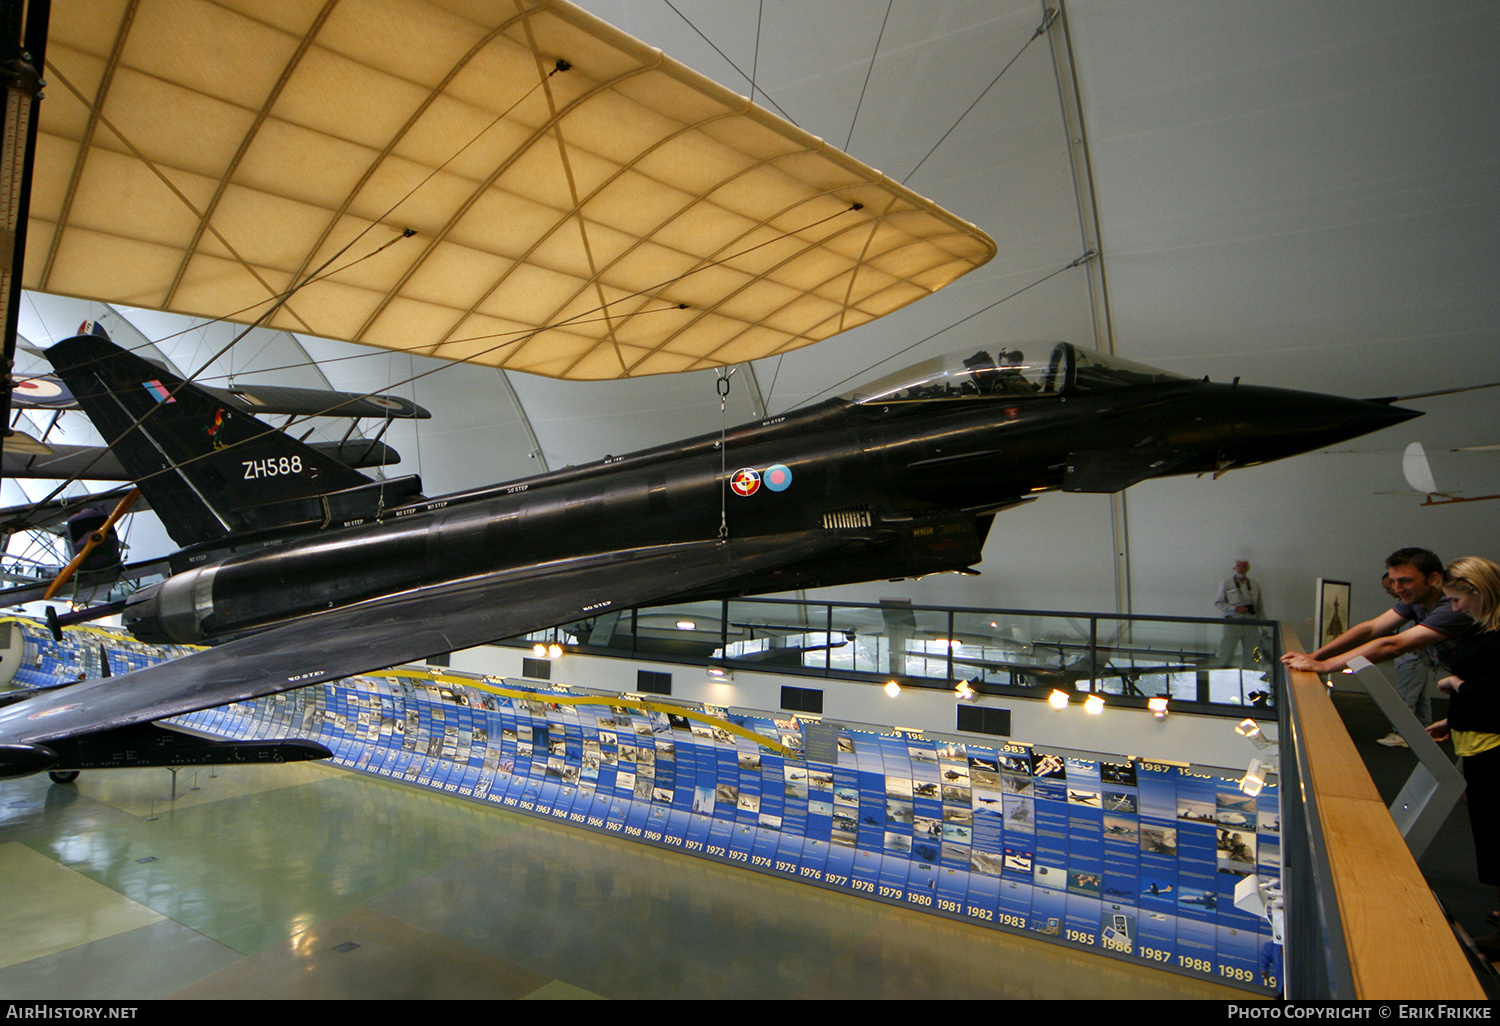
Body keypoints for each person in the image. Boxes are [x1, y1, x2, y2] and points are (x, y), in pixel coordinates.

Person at [1282, 549, 1472, 745]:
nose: (1397, 588)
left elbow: (1393, 645)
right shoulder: (1417, 601)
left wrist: (1325, 666)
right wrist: (1316, 656)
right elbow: (1370, 629)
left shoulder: (1452, 607)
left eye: (1405, 581)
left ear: (1433, 578)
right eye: (1393, 581)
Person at [1424, 556, 1500, 959]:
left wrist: (1456, 684)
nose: (1456, 609)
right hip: (1479, 745)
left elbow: (1492, 694)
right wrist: (1454, 722)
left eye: (1458, 600)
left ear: (1478, 590)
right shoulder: (1489, 631)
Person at [1214, 559, 1265, 668]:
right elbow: (1219, 603)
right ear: (1234, 568)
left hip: (1251, 622)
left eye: (1244, 566)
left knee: (1253, 653)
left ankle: (1251, 676)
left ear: (1248, 569)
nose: (1241, 568)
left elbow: (1260, 607)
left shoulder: (1254, 584)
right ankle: (1221, 675)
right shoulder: (1226, 583)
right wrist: (1235, 608)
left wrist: (1264, 626)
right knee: (1227, 651)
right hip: (1233, 622)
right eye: (1239, 566)